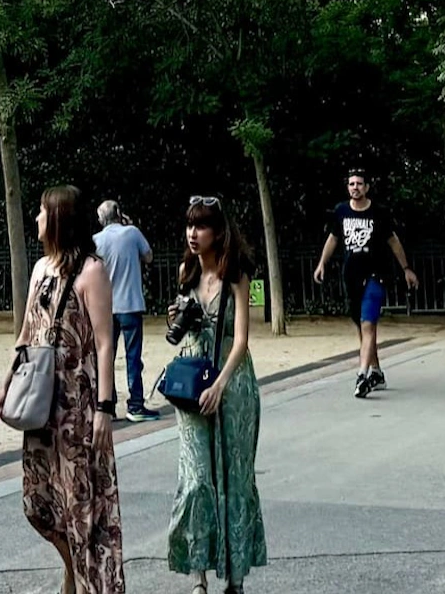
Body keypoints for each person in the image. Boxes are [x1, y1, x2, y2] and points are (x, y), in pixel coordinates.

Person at [18, 186, 125, 594]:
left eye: (43, 212)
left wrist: (105, 406)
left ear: (59, 218)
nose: (37, 219)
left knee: (82, 505)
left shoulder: (91, 271)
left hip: (77, 404)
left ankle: (85, 584)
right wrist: (8, 383)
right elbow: (27, 331)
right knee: (38, 504)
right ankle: (72, 569)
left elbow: (103, 341)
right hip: (41, 403)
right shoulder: (42, 268)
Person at [167, 196, 267, 593]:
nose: (193, 233)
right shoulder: (185, 272)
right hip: (192, 385)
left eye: (202, 226)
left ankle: (236, 578)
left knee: (235, 479)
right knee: (195, 480)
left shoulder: (236, 275)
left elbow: (241, 339)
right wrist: (176, 319)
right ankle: (198, 576)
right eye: (190, 225)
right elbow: (181, 332)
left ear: (218, 231)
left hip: (233, 384)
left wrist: (221, 384)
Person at [313, 167, 419, 399]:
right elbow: (333, 239)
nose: (355, 188)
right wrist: (322, 263)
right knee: (362, 328)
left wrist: (406, 269)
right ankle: (376, 371)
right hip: (351, 275)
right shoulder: (341, 211)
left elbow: (393, 242)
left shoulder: (378, 212)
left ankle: (362, 376)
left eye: (359, 184)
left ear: (367, 187)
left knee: (368, 324)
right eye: (351, 184)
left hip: (376, 275)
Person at [94, 201, 158, 421]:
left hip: (106, 307)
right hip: (130, 304)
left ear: (101, 219)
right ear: (119, 214)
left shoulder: (97, 240)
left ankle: (108, 404)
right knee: (133, 357)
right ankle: (136, 405)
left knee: (106, 356)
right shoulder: (132, 233)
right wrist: (129, 225)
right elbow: (148, 256)